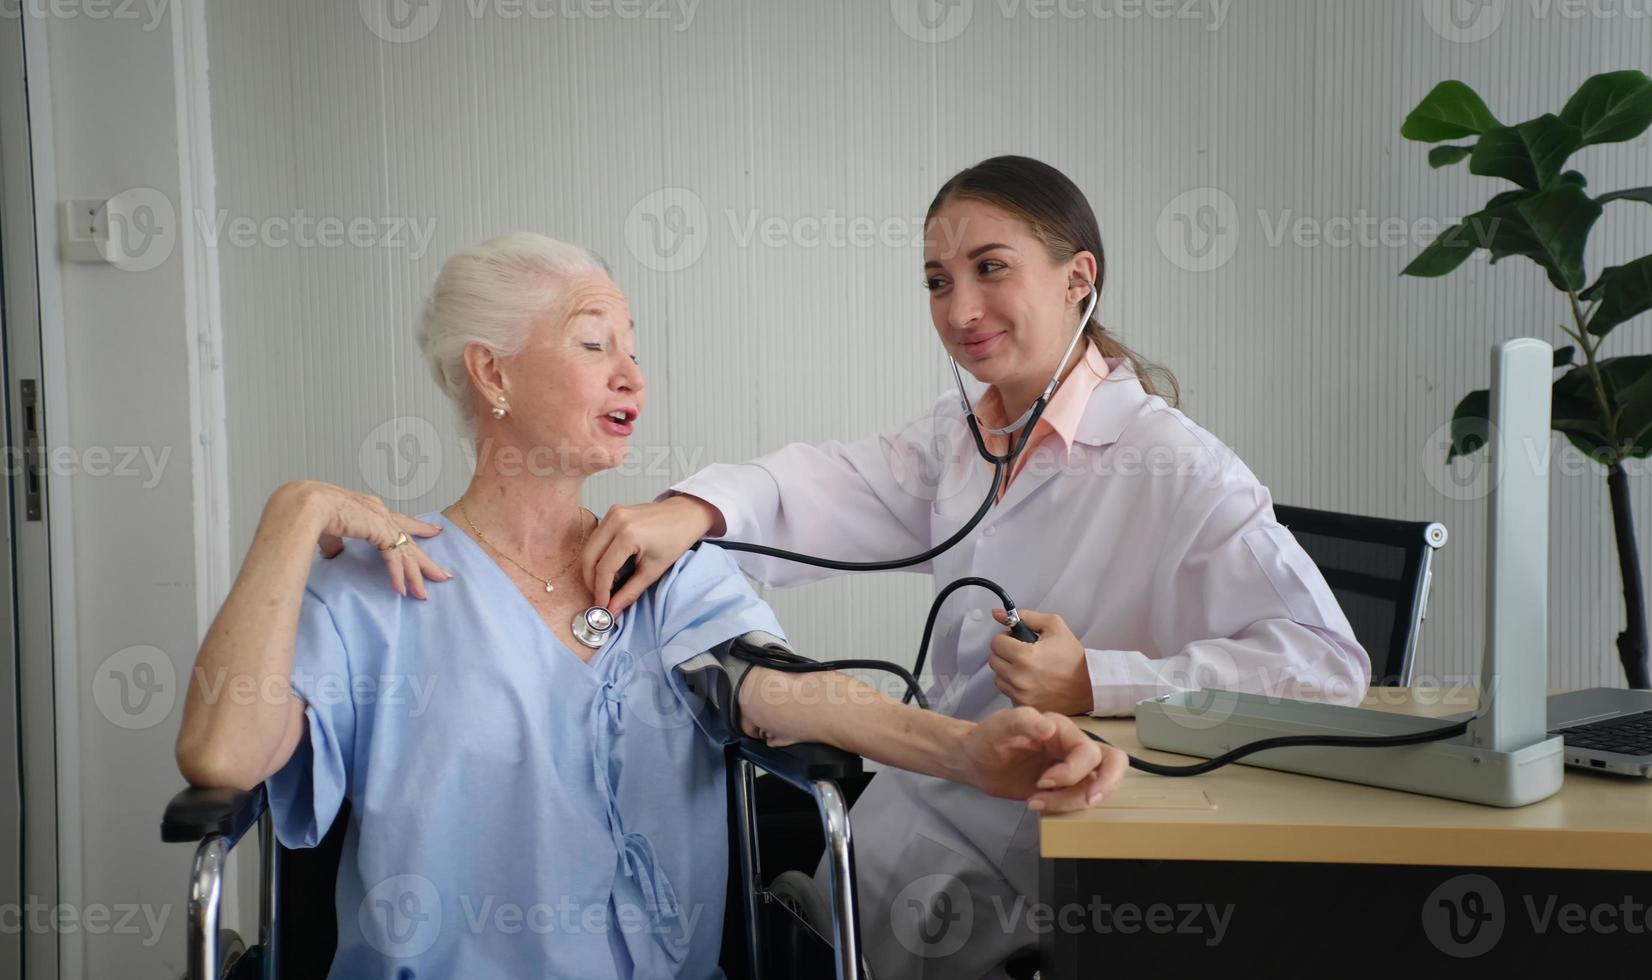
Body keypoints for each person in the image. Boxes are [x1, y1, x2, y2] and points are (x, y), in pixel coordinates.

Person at [172, 231, 1128, 979]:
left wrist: (965, 752)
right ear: (492, 373)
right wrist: (291, 519)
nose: (632, 375)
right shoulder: (380, 583)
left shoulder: (660, 569)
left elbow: (777, 694)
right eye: (594, 344)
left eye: (633, 350)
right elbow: (219, 757)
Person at [577, 157, 1370, 977]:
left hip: (1059, 852)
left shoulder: (1174, 465)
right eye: (936, 281)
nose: (960, 310)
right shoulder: (966, 441)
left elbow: (1327, 666)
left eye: (991, 268)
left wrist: (1097, 679)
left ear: (1077, 278)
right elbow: (822, 483)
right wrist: (694, 511)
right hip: (926, 809)